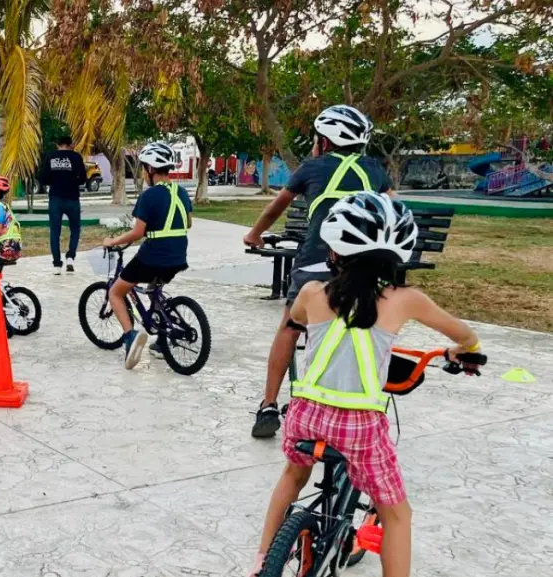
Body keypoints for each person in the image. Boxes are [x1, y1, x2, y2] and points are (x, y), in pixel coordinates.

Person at [248, 193, 481, 577]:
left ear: (335, 252)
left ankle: (260, 561)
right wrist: (466, 350)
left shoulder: (310, 294)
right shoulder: (407, 300)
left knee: (292, 477)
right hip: (358, 426)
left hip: (306, 415)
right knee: (397, 514)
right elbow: (464, 333)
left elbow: (298, 323)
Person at [243, 104, 396, 438]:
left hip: (317, 262)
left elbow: (276, 207)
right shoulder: (376, 170)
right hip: (368, 269)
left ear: (324, 141)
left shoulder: (313, 167)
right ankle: (365, 405)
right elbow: (394, 210)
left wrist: (253, 234)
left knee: (290, 328)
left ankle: (268, 404)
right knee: (368, 329)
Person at [101, 141, 193, 370]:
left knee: (116, 292)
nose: (142, 172)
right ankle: (162, 341)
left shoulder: (149, 196)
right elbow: (188, 223)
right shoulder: (181, 192)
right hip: (178, 256)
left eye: (143, 168)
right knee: (155, 292)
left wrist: (112, 241)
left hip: (153, 256)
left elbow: (137, 232)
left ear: (150, 170)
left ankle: (130, 336)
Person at [38, 135, 86, 275]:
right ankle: (70, 257)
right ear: (71, 145)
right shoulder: (76, 157)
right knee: (75, 229)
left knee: (54, 232)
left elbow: (43, 178)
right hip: (72, 198)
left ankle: (57, 265)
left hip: (55, 199)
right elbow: (83, 178)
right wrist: (72, 182)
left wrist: (55, 181)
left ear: (57, 144)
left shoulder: (50, 156)